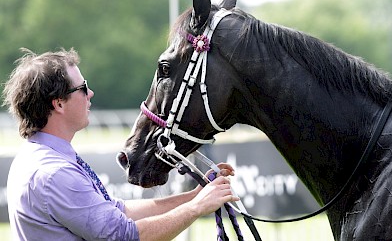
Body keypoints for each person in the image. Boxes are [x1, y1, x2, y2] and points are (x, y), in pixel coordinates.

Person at [3, 48, 238, 241]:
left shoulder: (39, 157)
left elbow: (119, 212)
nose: (91, 93)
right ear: (59, 104)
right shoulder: (55, 173)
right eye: (82, 88)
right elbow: (124, 236)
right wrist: (196, 207)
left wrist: (195, 196)